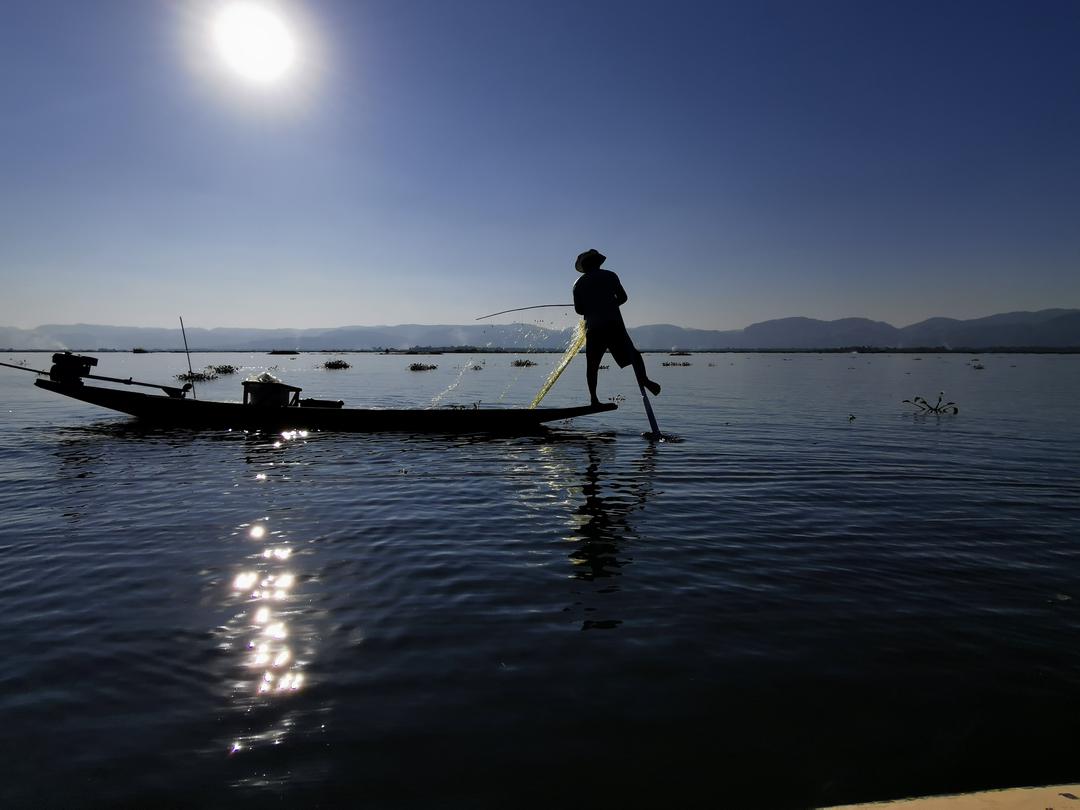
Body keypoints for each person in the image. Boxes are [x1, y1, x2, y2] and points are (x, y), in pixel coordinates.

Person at [572, 248, 661, 406]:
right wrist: (609, 303)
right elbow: (623, 297)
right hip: (614, 325)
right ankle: (645, 380)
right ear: (597, 263)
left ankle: (594, 399)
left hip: (594, 329)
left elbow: (579, 310)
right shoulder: (610, 276)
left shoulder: (578, 284)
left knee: (592, 365)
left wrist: (593, 306)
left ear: (584, 266)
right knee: (634, 356)